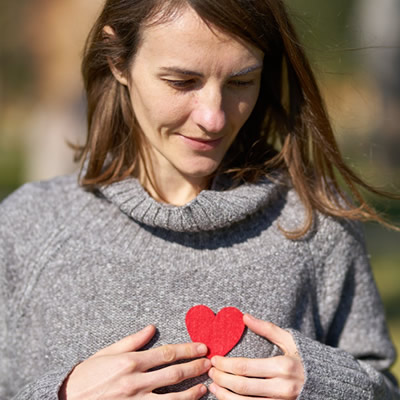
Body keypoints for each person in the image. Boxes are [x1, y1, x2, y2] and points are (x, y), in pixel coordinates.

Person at [1, 0, 399, 399]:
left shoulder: (314, 219)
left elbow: (381, 385)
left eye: (241, 82)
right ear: (119, 61)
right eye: (181, 81)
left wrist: (328, 386)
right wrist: (62, 394)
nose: (214, 118)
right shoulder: (29, 226)